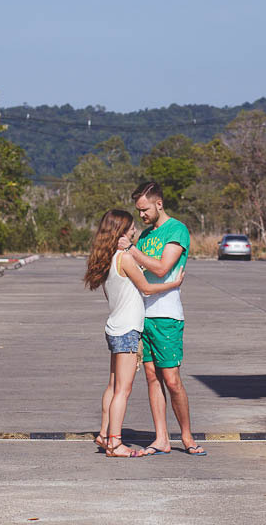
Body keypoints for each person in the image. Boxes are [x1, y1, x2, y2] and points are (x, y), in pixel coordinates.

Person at [83, 209, 183, 458]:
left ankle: (105, 434)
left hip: (114, 326)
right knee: (123, 390)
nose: (135, 231)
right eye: (131, 228)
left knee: (113, 385)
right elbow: (147, 288)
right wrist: (174, 283)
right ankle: (115, 444)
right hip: (128, 330)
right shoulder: (125, 258)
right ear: (121, 232)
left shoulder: (107, 260)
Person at [119, 181, 206, 456]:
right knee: (151, 377)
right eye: (138, 211)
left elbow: (161, 268)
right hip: (142, 316)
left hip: (167, 316)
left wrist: (131, 249)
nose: (141, 215)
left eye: (144, 209)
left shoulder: (176, 230)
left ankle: (187, 436)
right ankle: (161, 438)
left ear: (159, 204)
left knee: (171, 378)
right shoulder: (145, 236)